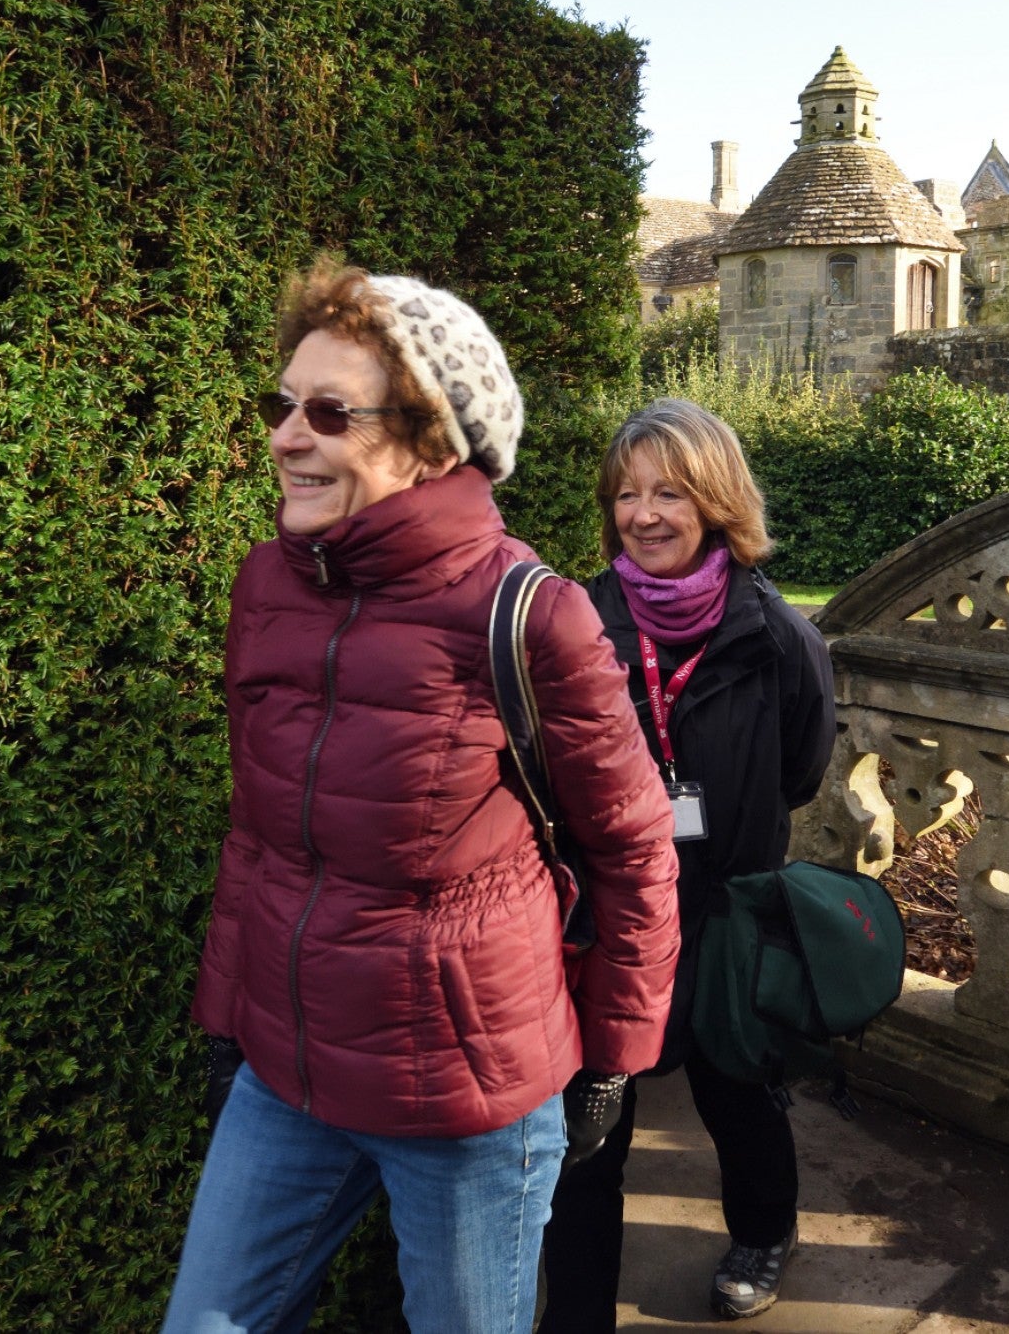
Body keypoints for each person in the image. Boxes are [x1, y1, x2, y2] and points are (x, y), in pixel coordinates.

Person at [165, 265, 680, 1334]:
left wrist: (615, 1060)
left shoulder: (530, 615)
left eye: (328, 412)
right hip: (287, 1075)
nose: (283, 436)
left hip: (467, 1098)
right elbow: (259, 839)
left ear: (436, 444)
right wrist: (232, 1015)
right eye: (280, 405)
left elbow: (635, 850)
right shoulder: (269, 586)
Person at [538, 399, 836, 1329]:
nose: (646, 513)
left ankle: (764, 1231)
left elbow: (801, 768)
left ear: (716, 500)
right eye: (627, 494)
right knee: (590, 1130)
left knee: (738, 1096)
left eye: (670, 490)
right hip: (606, 918)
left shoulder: (780, 637)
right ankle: (578, 1309)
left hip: (722, 913)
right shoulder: (574, 623)